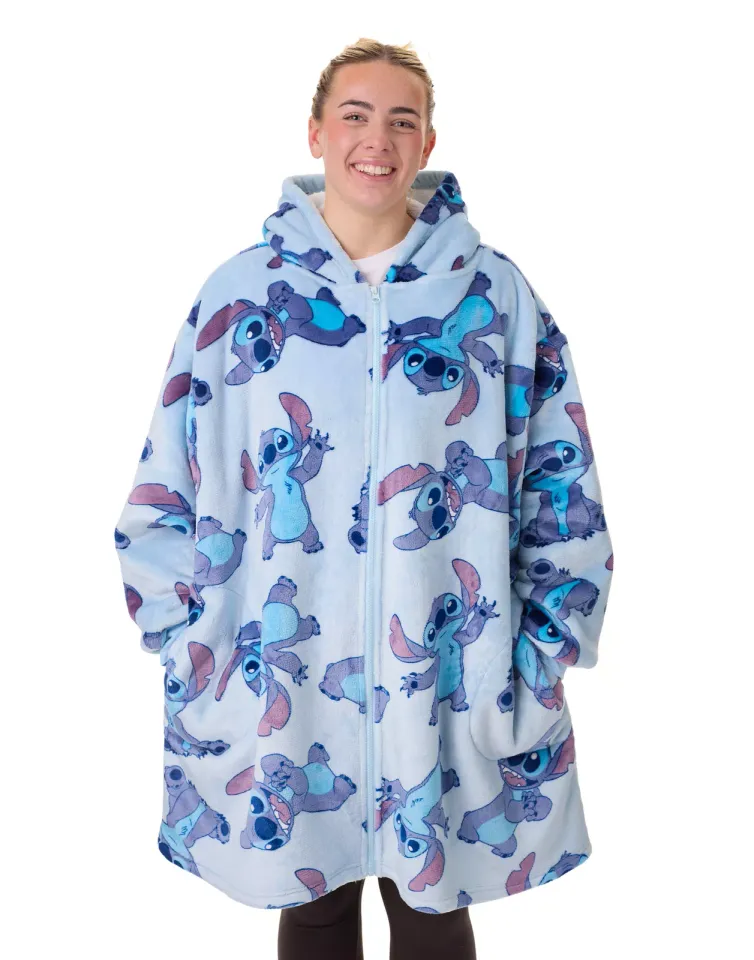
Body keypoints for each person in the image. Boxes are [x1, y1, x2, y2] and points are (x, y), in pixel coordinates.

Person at [113, 36, 613, 960]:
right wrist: (190, 648)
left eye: (400, 120)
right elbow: (162, 491)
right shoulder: (240, 300)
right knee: (311, 903)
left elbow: (562, 488)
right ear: (316, 133)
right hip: (282, 683)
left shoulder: (496, 299)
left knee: (433, 907)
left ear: (427, 144)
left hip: (453, 679)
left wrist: (542, 655)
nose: (376, 139)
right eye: (355, 115)